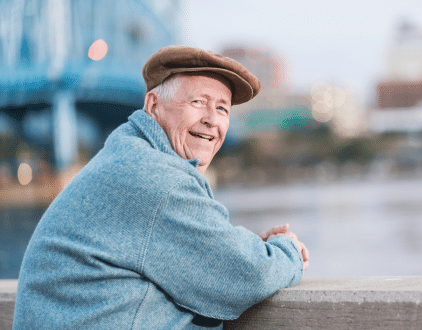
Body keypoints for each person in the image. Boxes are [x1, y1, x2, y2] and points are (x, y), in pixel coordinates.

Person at [13, 45, 309, 330]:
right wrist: (288, 251)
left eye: (222, 108)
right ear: (153, 105)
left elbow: (199, 261)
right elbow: (248, 275)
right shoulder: (156, 177)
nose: (211, 120)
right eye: (197, 102)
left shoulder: (129, 154)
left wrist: (244, 248)